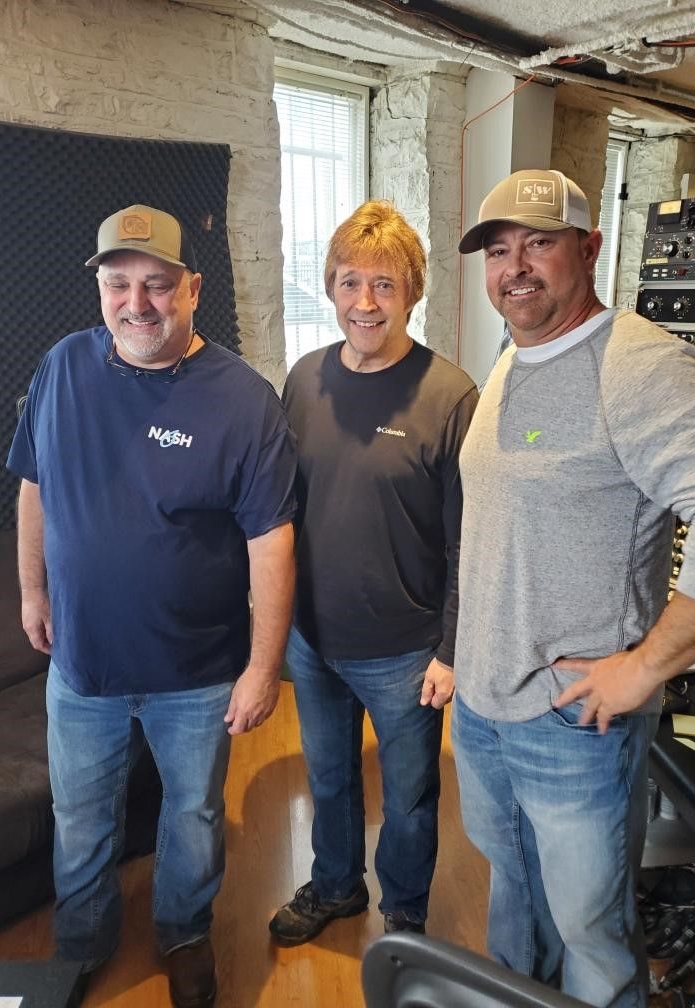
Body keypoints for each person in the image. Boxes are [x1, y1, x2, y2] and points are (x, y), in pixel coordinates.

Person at [6, 204, 297, 1008]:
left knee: (194, 816)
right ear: (100, 289)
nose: (137, 303)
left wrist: (263, 668)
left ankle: (184, 931)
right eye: (118, 283)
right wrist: (32, 590)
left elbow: (272, 542)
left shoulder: (243, 399)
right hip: (83, 664)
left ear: (193, 288)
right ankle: (82, 945)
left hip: (196, 672)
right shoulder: (62, 367)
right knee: (80, 817)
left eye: (158, 284)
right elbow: (33, 486)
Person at [453, 169, 695, 1007]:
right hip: (486, 705)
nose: (515, 268)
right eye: (498, 250)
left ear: (590, 249)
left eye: (539, 243)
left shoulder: (637, 364)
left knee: (591, 938)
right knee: (515, 900)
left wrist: (647, 666)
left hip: (573, 722)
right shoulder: (513, 353)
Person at [268, 200, 478, 946]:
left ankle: (406, 915)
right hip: (313, 639)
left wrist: (450, 650)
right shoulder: (304, 380)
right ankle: (336, 886)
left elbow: (469, 541)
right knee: (327, 777)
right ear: (330, 286)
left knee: (411, 797)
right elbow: (282, 509)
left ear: (412, 292)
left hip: (405, 649)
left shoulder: (450, 396)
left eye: (385, 285)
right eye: (351, 282)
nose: (365, 302)